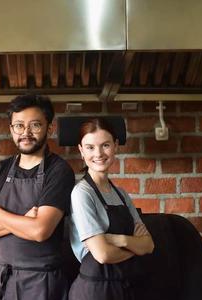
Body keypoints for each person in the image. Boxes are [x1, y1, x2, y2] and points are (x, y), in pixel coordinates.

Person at [0, 94, 75, 300]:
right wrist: (24, 221)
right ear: (11, 129)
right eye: (18, 126)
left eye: (35, 125)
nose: (26, 133)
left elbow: (39, 230)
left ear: (49, 128)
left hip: (40, 282)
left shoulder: (59, 171)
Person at [68, 118, 155, 300]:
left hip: (126, 285)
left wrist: (118, 239)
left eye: (105, 145)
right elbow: (103, 254)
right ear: (81, 151)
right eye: (90, 147)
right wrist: (135, 246)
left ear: (115, 146)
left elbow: (149, 245)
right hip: (96, 289)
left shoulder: (121, 194)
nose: (98, 153)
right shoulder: (82, 193)